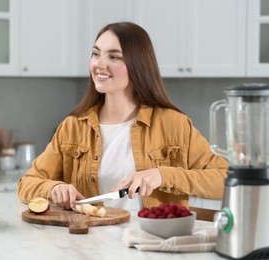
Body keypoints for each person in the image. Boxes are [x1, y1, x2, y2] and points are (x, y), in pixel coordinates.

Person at [17, 22, 228, 211]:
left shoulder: (173, 124)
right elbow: (27, 184)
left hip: (152, 247)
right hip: (89, 249)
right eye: (96, 54)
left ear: (138, 65)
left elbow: (225, 179)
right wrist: (55, 187)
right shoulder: (73, 127)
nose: (100, 63)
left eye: (114, 56)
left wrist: (162, 175)